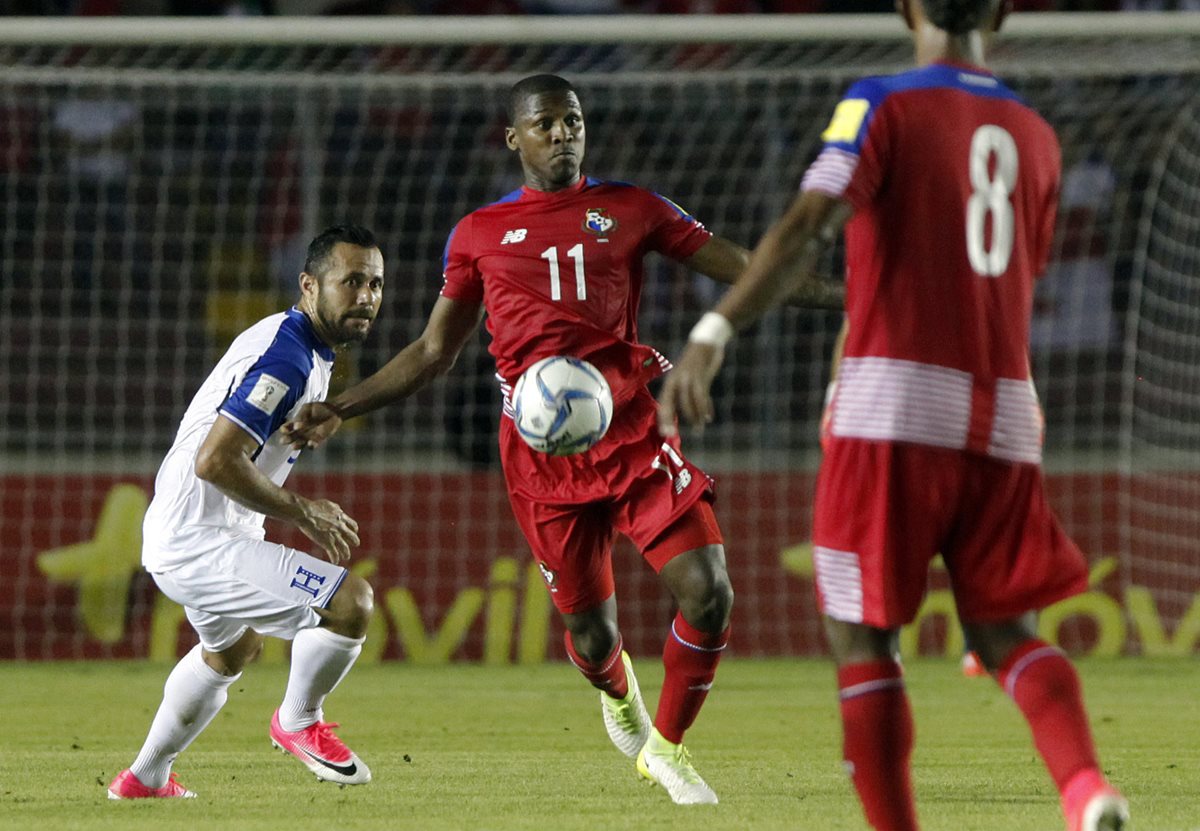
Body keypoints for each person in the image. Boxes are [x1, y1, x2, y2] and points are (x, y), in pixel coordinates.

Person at [282, 74, 840, 806]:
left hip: (633, 430)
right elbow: (431, 352)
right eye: (544, 123)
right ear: (515, 138)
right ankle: (618, 696)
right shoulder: (479, 234)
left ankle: (667, 750)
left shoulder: (632, 209)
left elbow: (747, 270)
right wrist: (341, 407)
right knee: (593, 634)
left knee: (709, 590)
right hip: (540, 459)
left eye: (571, 120)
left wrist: (853, 295)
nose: (561, 134)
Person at [656, 2, 1129, 829]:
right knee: (1002, 630)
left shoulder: (881, 103)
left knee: (864, 636)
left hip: (892, 406)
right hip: (1007, 409)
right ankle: (1085, 785)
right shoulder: (1039, 136)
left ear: (905, 7)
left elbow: (810, 222)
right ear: (1005, 11)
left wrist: (713, 328)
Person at [107, 225, 384, 799]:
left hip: (200, 529)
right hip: (198, 539)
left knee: (233, 649)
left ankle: (145, 777)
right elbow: (215, 461)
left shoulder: (301, 344)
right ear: (310, 285)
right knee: (349, 603)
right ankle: (300, 721)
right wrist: (302, 511)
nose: (366, 296)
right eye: (351, 281)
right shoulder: (286, 359)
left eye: (376, 284)